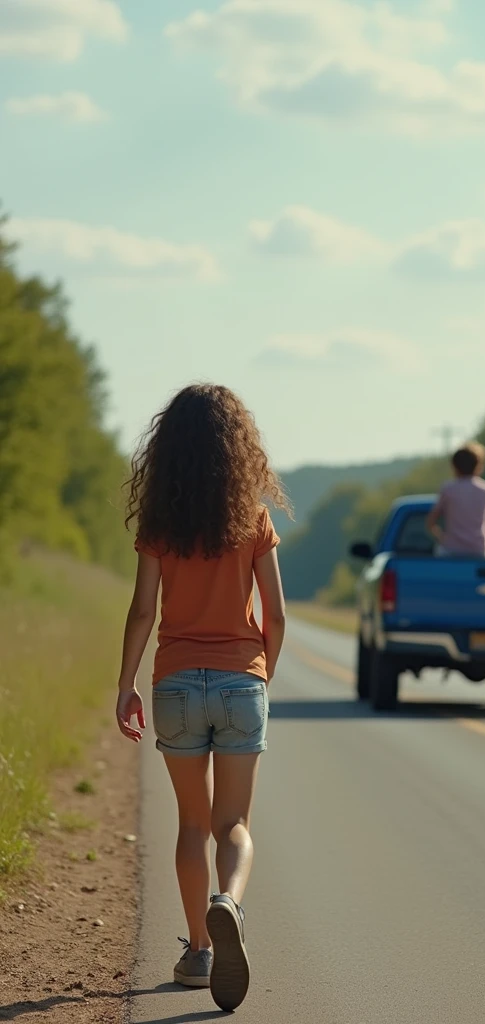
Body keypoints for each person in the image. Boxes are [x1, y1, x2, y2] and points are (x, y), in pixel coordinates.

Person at [115, 383, 290, 1012]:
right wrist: (259, 675)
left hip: (176, 683)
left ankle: (197, 953)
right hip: (241, 681)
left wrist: (126, 683)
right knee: (233, 824)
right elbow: (275, 614)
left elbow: (142, 611)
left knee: (192, 822)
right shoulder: (253, 517)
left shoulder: (161, 523)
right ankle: (229, 904)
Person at [426, 442, 485, 558]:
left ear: (454, 466)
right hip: (480, 550)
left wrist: (442, 538)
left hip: (451, 549)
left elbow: (431, 522)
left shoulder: (448, 489)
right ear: (478, 465)